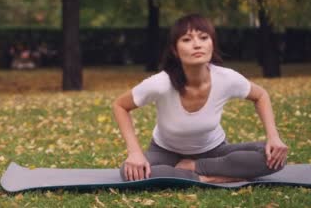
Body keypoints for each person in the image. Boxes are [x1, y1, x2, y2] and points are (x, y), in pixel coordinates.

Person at [112, 14, 288, 183]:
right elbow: (120, 105)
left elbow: (261, 95)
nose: (197, 45)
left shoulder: (226, 78)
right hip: (166, 153)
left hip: (214, 151)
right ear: (175, 50)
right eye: (187, 39)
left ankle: (194, 168)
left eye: (203, 37)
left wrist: (273, 137)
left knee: (275, 157)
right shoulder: (161, 83)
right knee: (129, 172)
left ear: (212, 43)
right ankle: (207, 178)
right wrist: (135, 152)